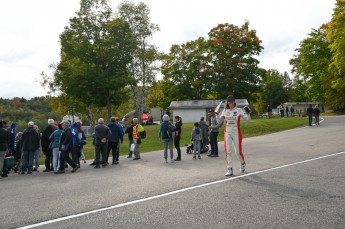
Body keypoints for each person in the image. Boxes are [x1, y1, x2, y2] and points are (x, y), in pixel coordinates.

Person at [218, 95, 251, 176]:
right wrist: (216, 114)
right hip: (227, 132)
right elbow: (219, 121)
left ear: (234, 102)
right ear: (227, 103)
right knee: (228, 151)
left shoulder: (239, 110)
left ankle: (242, 163)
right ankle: (229, 168)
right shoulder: (225, 110)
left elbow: (248, 120)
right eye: (229, 102)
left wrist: (248, 113)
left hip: (236, 132)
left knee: (238, 152)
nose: (231, 103)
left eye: (232, 101)